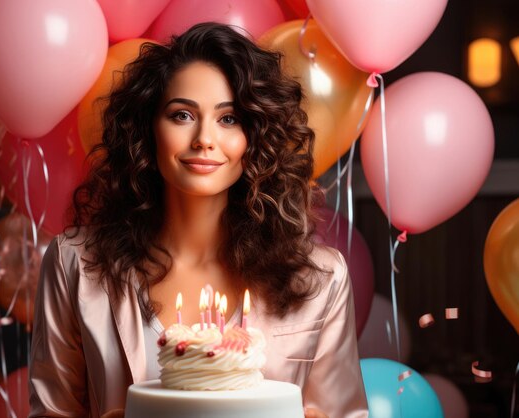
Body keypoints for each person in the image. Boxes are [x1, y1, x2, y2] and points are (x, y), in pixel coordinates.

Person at [29, 22, 368, 418]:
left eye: (229, 119)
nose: (204, 138)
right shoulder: (75, 264)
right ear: (147, 129)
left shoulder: (320, 279)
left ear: (255, 136)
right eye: (182, 114)